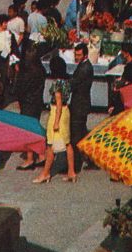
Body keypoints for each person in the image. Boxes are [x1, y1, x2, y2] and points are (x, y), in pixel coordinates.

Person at [35, 54, 76, 184]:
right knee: (67, 143)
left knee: (51, 144)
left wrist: (56, 122)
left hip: (57, 113)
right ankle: (71, 172)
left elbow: (58, 103)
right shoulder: (67, 82)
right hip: (66, 111)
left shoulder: (57, 84)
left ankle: (45, 173)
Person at [15, 41, 48, 172]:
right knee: (36, 129)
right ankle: (41, 155)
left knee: (28, 132)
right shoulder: (41, 70)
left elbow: (20, 89)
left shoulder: (28, 73)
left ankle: (30, 159)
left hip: (28, 103)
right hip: (37, 101)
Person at [69, 42, 94, 171]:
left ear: (85, 55)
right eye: (75, 54)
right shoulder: (84, 66)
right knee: (82, 134)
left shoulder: (85, 68)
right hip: (81, 104)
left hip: (79, 105)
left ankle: (76, 165)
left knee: (76, 136)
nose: (76, 57)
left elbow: (74, 83)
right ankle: (90, 159)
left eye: (78, 55)